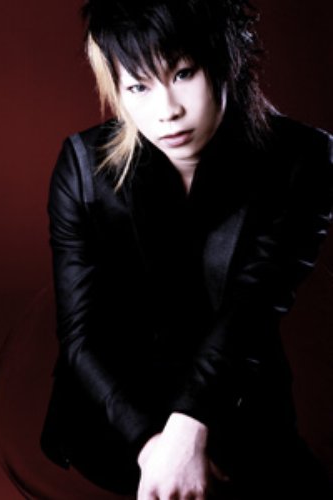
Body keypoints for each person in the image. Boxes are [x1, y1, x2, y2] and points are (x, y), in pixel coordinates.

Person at [40, 0, 333, 498]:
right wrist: (153, 447)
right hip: (116, 416)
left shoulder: (300, 159)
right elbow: (80, 336)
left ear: (226, 61)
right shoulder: (83, 167)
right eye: (138, 86)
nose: (167, 111)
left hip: (236, 398)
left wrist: (188, 429)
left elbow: (253, 306)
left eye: (183, 74)